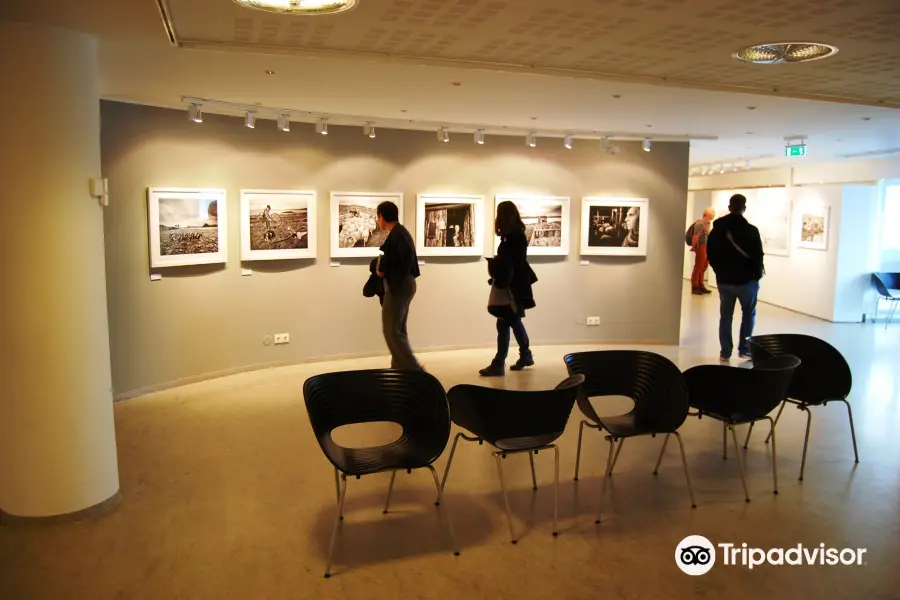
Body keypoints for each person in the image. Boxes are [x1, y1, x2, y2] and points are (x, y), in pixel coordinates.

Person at [479, 201, 538, 377]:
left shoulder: (515, 237)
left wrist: (498, 266)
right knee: (507, 321)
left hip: (512, 287)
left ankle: (504, 361)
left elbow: (515, 263)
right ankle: (518, 357)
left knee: (510, 320)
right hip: (511, 284)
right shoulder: (511, 236)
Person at [707, 194, 765, 362]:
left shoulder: (717, 229)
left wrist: (719, 271)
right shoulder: (751, 230)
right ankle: (745, 349)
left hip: (725, 281)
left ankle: (725, 351)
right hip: (747, 281)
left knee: (725, 316)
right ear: (744, 208)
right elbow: (758, 256)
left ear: (730, 207)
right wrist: (756, 275)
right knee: (748, 314)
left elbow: (710, 254)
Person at [375, 201, 423, 370]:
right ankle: (399, 370)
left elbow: (403, 261)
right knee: (398, 330)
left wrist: (384, 270)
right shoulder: (400, 232)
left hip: (399, 286)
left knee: (392, 331)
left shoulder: (398, 235)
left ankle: (414, 371)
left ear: (382, 216)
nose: (377, 221)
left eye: (378, 217)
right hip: (403, 285)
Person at [689, 207, 716, 295]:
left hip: (706, 246)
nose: (714, 215)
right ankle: (695, 287)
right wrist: (694, 247)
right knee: (698, 266)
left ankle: (701, 285)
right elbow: (695, 236)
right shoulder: (700, 223)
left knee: (703, 266)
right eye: (712, 213)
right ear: (707, 213)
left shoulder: (707, 223)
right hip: (701, 246)